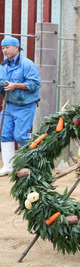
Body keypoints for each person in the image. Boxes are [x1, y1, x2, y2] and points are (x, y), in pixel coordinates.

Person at [0, 36, 41, 176]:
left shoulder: (27, 64)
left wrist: (15, 85)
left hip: (25, 106)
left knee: (21, 136)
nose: (5, 51)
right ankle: (8, 167)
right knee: (4, 134)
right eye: (3, 48)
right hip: (8, 105)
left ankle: (39, 154)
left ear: (17, 48)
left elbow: (34, 84)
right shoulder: (3, 65)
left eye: (8, 47)